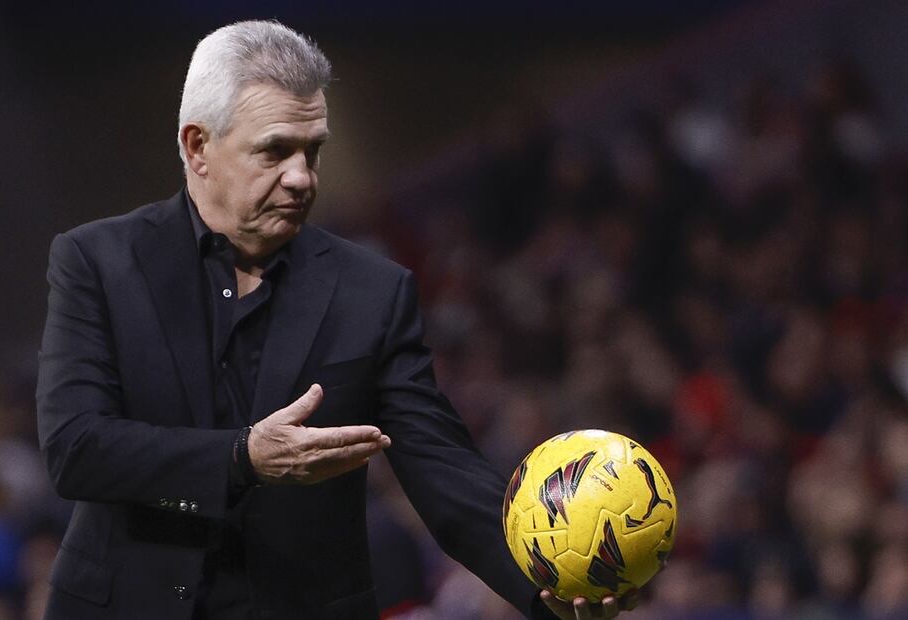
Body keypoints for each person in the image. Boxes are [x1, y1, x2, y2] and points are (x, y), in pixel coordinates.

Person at [36, 20, 636, 620]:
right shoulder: (97, 262)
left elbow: (441, 466)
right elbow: (76, 447)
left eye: (312, 151)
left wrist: (546, 586)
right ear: (197, 147)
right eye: (275, 150)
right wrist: (242, 458)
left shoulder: (373, 291)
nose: (302, 177)